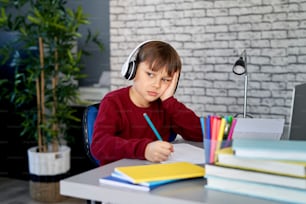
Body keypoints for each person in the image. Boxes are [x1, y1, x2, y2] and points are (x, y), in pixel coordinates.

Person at [91, 40, 202, 165]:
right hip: (118, 175)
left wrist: (170, 101)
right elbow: (99, 145)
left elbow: (199, 134)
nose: (156, 84)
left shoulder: (166, 106)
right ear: (132, 70)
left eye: (165, 79)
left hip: (156, 174)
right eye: (150, 74)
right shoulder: (113, 102)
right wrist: (144, 149)